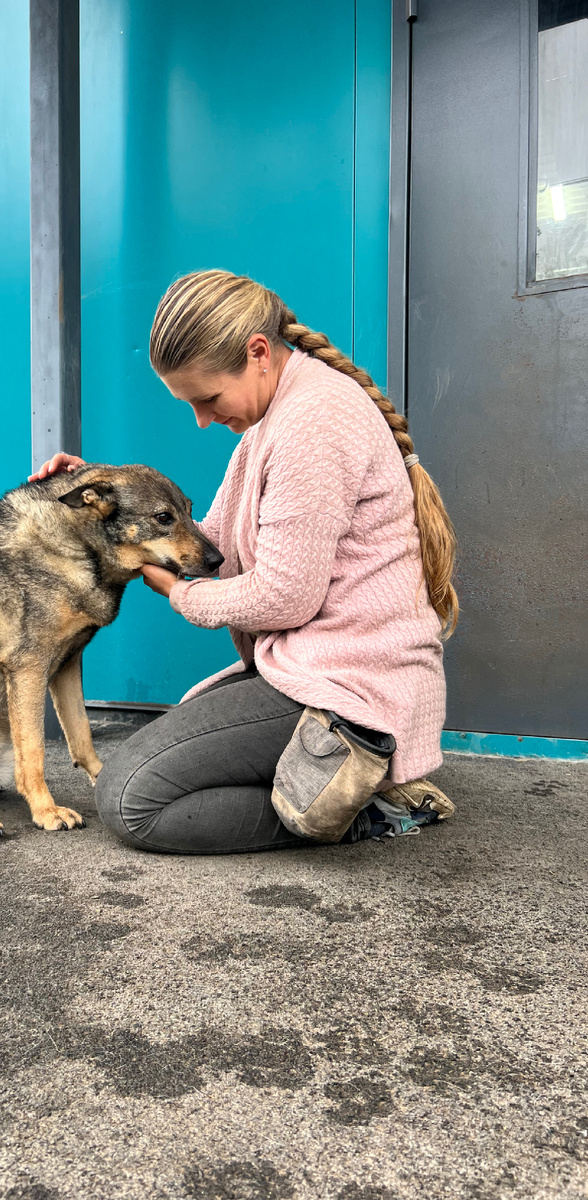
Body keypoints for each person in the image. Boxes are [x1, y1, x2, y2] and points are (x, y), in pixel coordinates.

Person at [30, 270, 457, 854]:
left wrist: (180, 596)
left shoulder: (314, 423)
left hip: (347, 685)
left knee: (131, 800)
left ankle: (357, 805)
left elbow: (285, 596)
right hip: (306, 669)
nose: (202, 419)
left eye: (207, 399)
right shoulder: (272, 419)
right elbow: (208, 548)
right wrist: (104, 491)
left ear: (258, 353)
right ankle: (340, 778)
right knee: (174, 744)